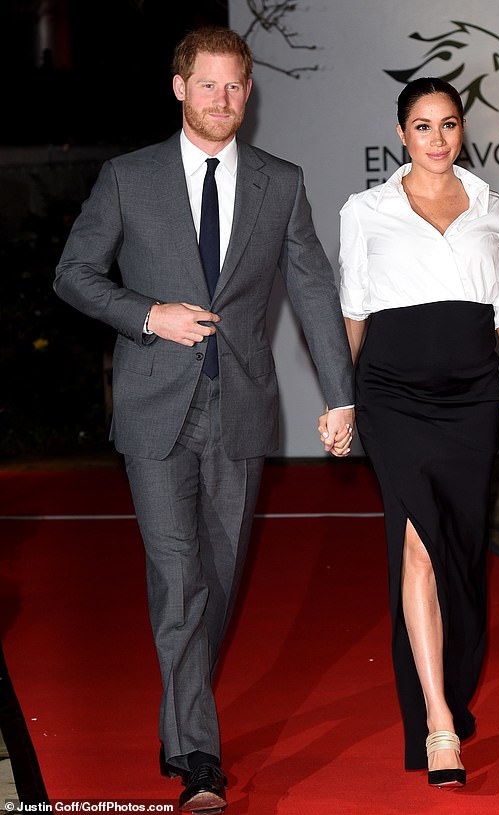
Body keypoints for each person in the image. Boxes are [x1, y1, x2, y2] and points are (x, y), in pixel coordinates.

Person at [54, 26, 354, 812]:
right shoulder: (129, 178)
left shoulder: (279, 183)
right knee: (181, 578)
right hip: (156, 412)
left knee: (213, 582)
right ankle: (200, 758)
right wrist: (150, 314)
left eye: (235, 87)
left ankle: (178, 716)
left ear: (248, 96)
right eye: (208, 85)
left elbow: (315, 289)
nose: (222, 100)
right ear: (179, 87)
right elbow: (75, 275)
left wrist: (340, 392)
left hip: (242, 410)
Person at [334, 77, 499, 788]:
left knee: (460, 552)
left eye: (448, 124)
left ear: (462, 131)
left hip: (471, 400)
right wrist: (342, 401)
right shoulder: (364, 210)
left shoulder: (495, 208)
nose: (436, 138)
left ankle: (451, 684)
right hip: (391, 396)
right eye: (422, 125)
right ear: (401, 133)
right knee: (420, 545)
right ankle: (437, 723)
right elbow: (353, 313)